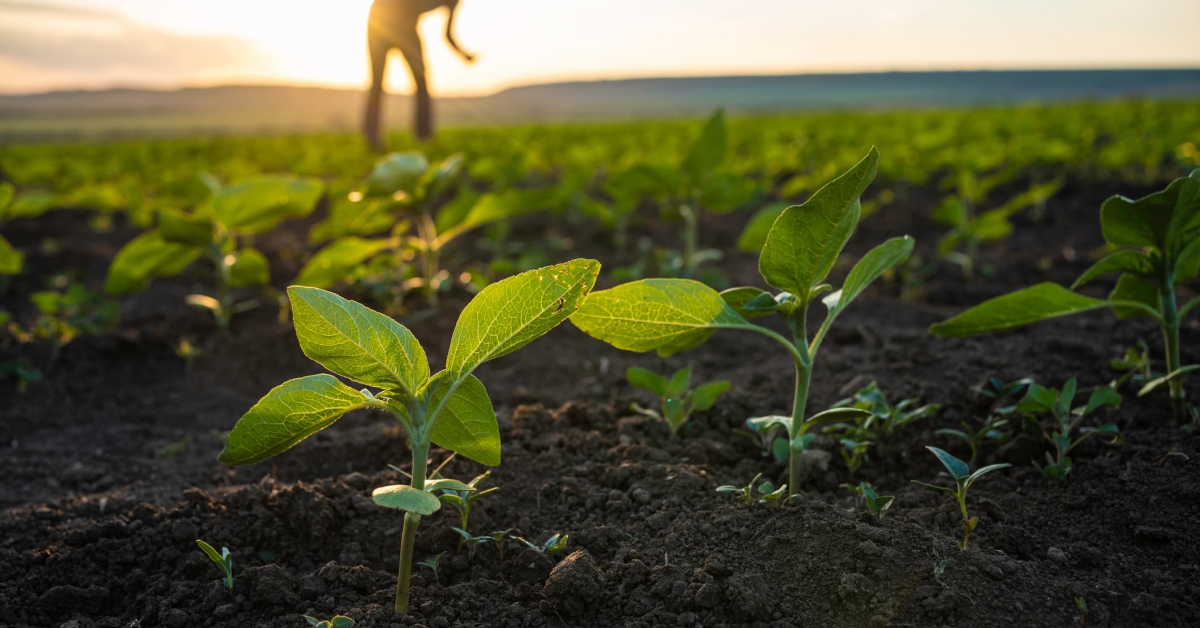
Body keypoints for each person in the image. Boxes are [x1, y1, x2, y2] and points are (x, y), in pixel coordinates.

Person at [364, 0, 475, 149]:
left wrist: (463, 54)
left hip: (407, 28)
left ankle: (423, 135)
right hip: (380, 21)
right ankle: (372, 135)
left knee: (421, 80)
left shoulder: (454, 1)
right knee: (377, 80)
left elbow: (447, 34)